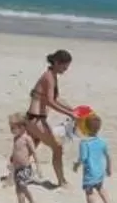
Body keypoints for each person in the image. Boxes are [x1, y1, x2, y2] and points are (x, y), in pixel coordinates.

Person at [21, 50, 78, 187]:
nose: (65, 70)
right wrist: (70, 114)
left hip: (34, 118)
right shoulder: (49, 77)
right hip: (36, 119)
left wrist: (72, 109)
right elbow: (51, 102)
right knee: (57, 148)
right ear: (57, 63)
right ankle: (61, 181)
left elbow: (55, 98)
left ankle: (13, 176)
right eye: (64, 67)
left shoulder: (51, 75)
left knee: (28, 149)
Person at [76, 111, 112, 203]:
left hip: (90, 172)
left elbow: (82, 158)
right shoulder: (102, 142)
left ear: (85, 128)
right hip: (100, 171)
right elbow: (108, 156)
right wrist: (108, 168)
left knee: (89, 192)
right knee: (101, 188)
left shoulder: (84, 143)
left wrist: (76, 165)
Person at [4, 112, 39, 203]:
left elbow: (34, 152)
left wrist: (38, 166)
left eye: (13, 128)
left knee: (20, 189)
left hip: (25, 168)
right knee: (20, 188)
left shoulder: (27, 138)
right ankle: (32, 202)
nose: (11, 131)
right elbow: (16, 150)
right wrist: (12, 158)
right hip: (17, 167)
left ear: (22, 127)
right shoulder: (16, 138)